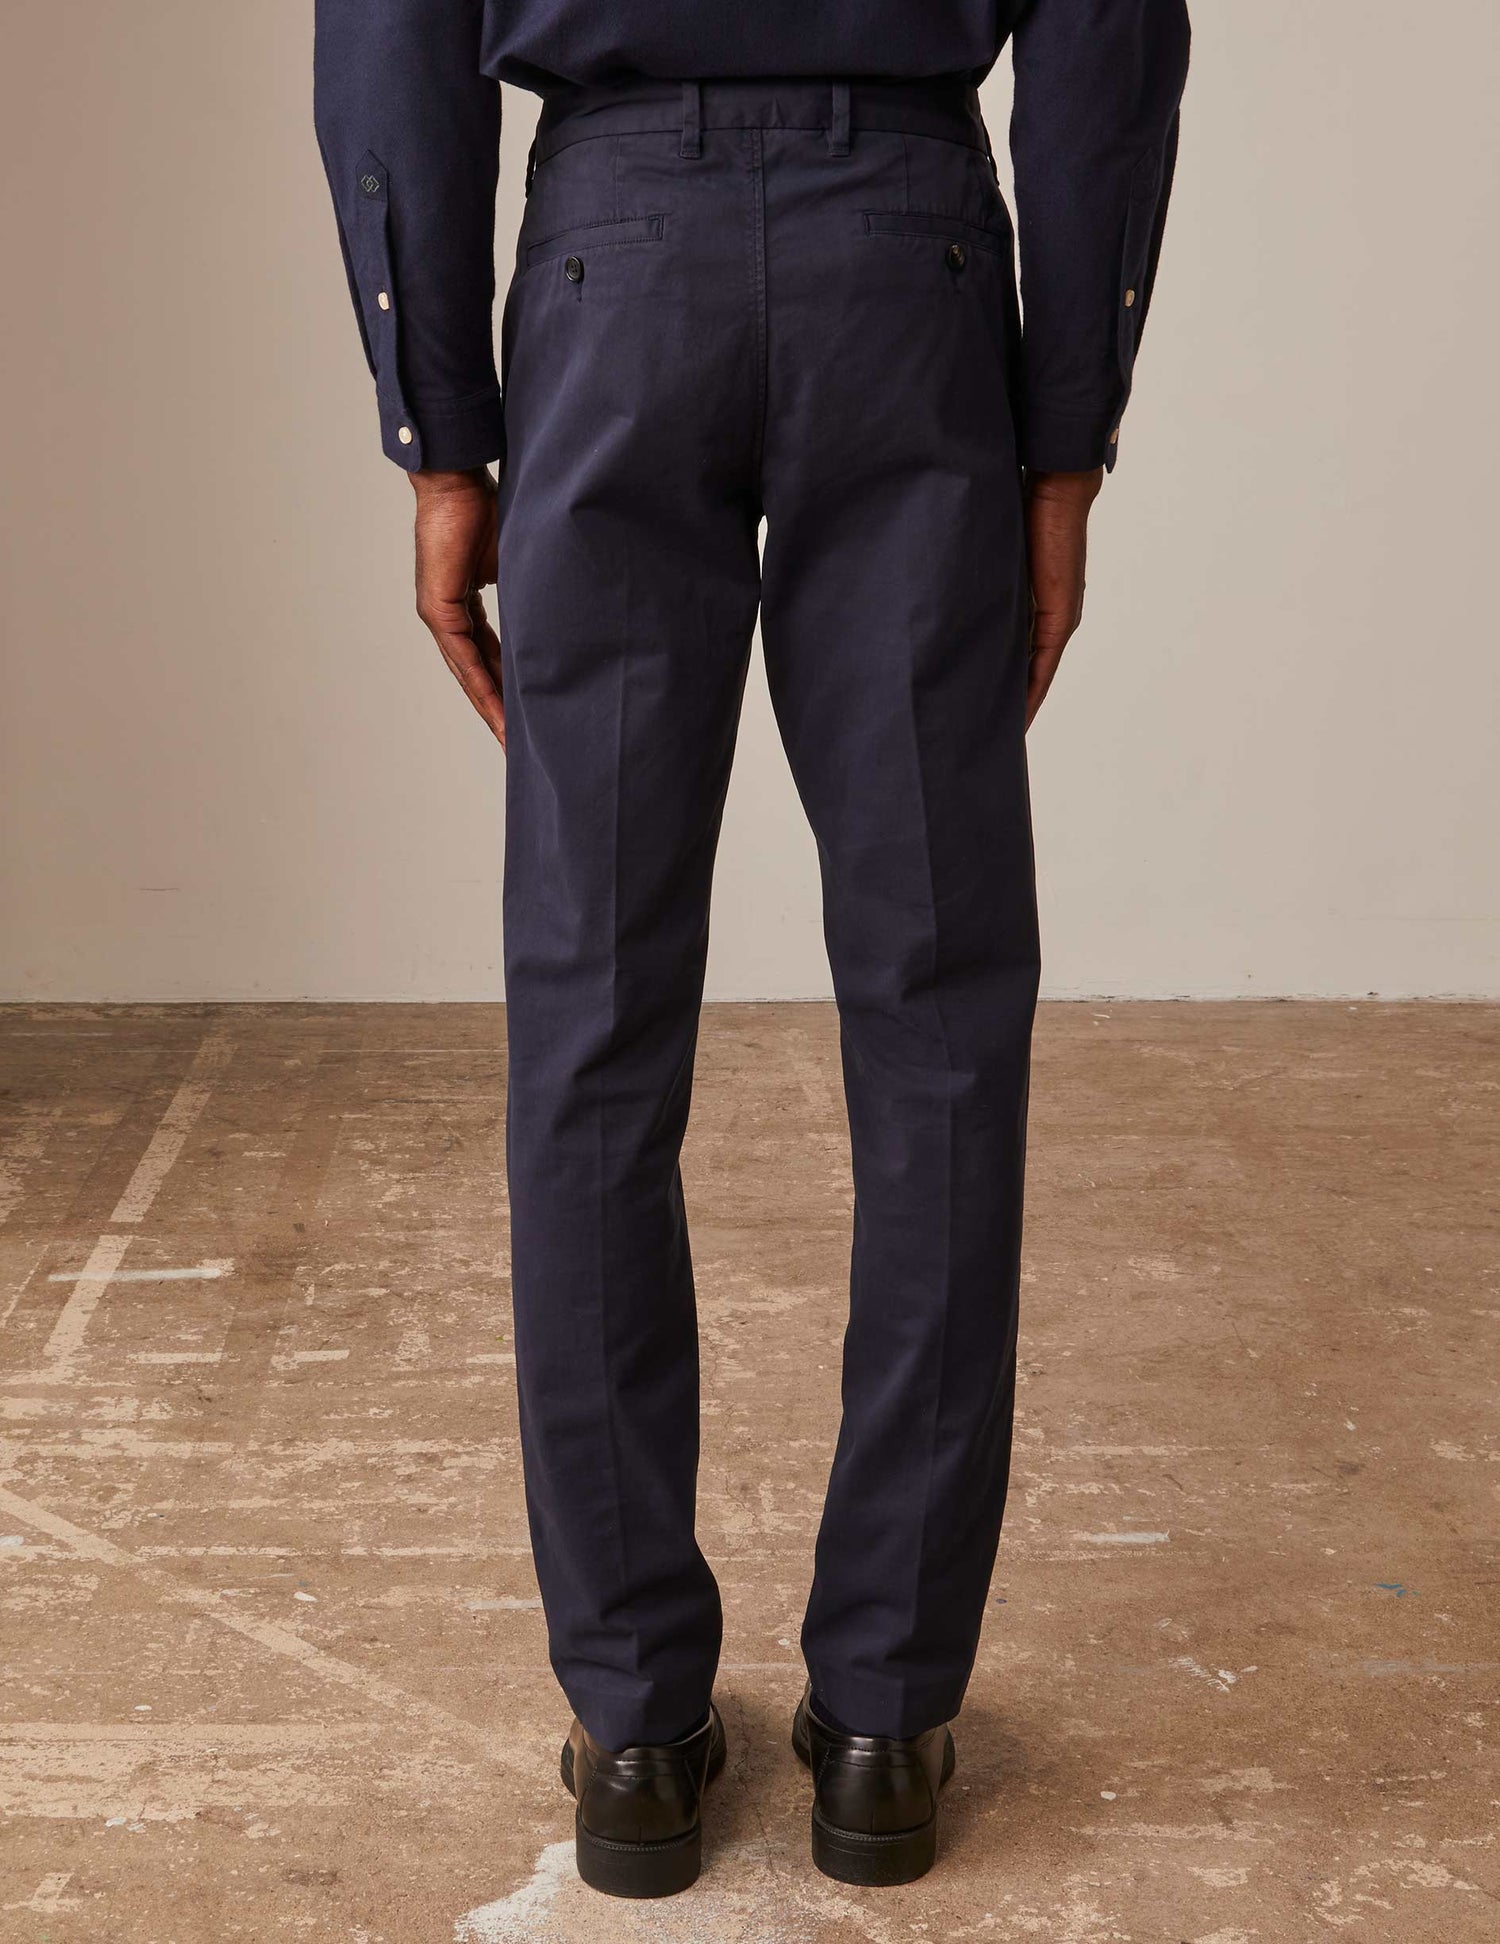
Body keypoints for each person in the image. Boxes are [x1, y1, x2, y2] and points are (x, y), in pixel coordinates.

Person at [314, 0, 1190, 1901]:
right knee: (937, 1010)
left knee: (592, 1014)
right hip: (911, 272)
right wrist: (1067, 433)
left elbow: (392, 28)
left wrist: (438, 429)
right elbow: (1108, 30)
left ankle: (634, 1728)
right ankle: (885, 1717)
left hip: (614, 272)